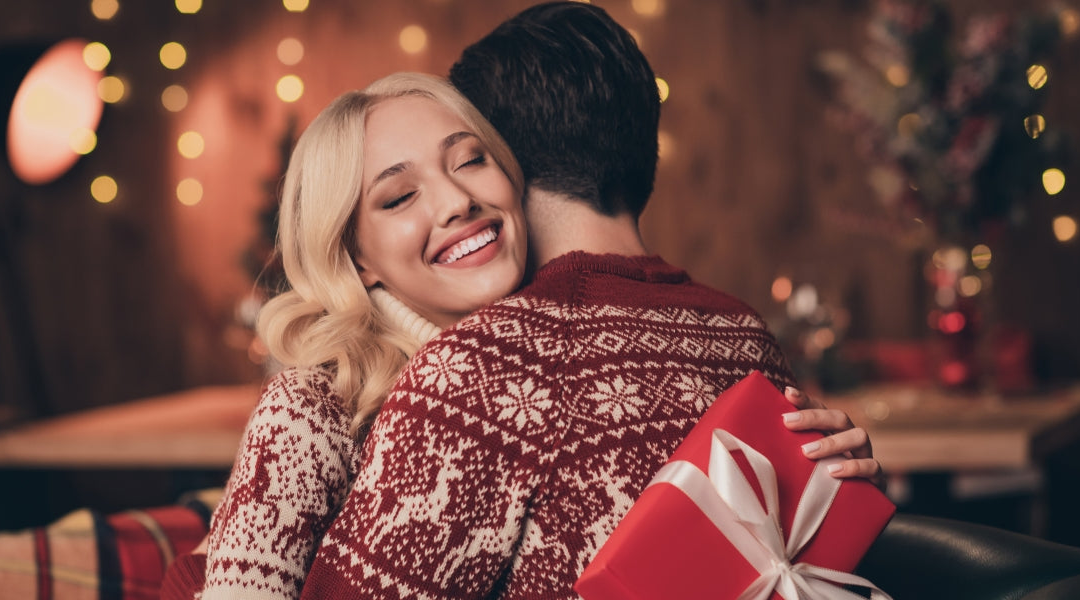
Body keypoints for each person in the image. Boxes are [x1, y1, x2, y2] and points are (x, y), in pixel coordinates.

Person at [300, 3, 880, 598]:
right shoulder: (744, 331)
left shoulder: (484, 365)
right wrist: (848, 484)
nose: (453, 197)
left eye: (470, 157)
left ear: (504, 162)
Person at [160, 71, 528, 597]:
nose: (456, 201)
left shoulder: (568, 359)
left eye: (470, 159)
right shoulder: (313, 408)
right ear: (358, 258)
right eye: (399, 197)